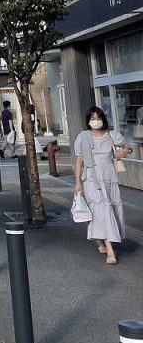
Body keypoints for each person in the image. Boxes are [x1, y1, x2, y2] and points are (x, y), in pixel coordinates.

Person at [73, 106, 130, 265]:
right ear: (88, 121)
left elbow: (128, 146)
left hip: (109, 176)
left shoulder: (112, 135)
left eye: (98, 118)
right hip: (91, 178)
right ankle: (110, 250)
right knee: (101, 209)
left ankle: (101, 240)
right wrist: (77, 182)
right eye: (92, 118)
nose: (95, 121)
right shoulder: (82, 137)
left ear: (103, 119)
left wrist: (124, 152)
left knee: (109, 208)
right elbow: (79, 160)